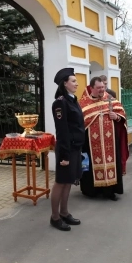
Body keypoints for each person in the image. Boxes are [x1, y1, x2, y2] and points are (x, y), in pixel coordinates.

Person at [79, 77, 129, 201]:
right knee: (91, 165)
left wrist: (116, 117)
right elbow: (79, 123)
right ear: (92, 88)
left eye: (103, 87)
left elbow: (122, 115)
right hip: (91, 143)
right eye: (99, 88)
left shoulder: (110, 99)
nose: (102, 90)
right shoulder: (84, 103)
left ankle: (110, 191)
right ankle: (92, 190)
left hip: (110, 142)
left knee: (111, 163)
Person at [50, 67, 85, 231]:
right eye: (73, 81)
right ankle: (55, 217)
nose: (76, 84)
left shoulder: (73, 100)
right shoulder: (60, 103)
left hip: (75, 148)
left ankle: (64, 212)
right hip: (66, 148)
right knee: (60, 182)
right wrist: (64, 155)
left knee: (69, 181)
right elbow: (62, 130)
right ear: (65, 83)